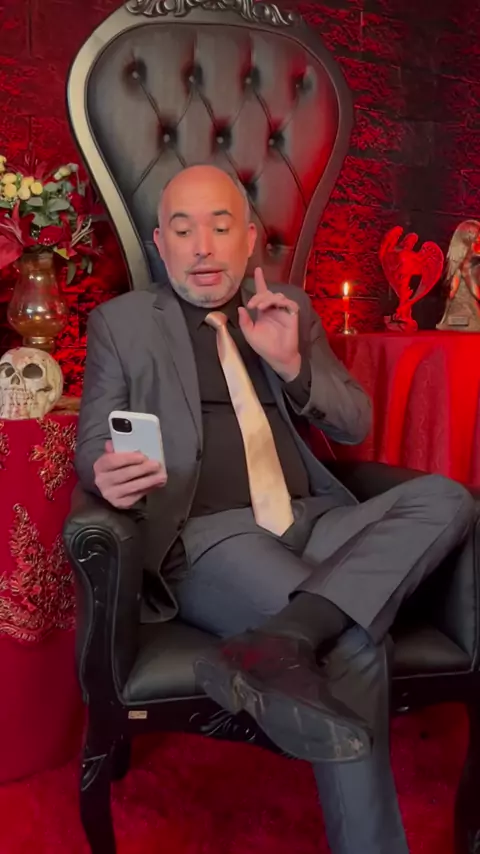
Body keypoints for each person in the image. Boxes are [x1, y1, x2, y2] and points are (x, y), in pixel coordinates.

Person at [76, 164, 474, 854]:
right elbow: (91, 441)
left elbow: (353, 422)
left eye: (220, 226)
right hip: (210, 538)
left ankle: (284, 636)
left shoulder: (285, 307)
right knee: (352, 640)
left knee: (449, 497)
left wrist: (292, 365)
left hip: (315, 517)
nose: (203, 247)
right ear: (159, 243)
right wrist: (104, 472)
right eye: (182, 230)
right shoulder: (124, 323)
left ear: (250, 238)